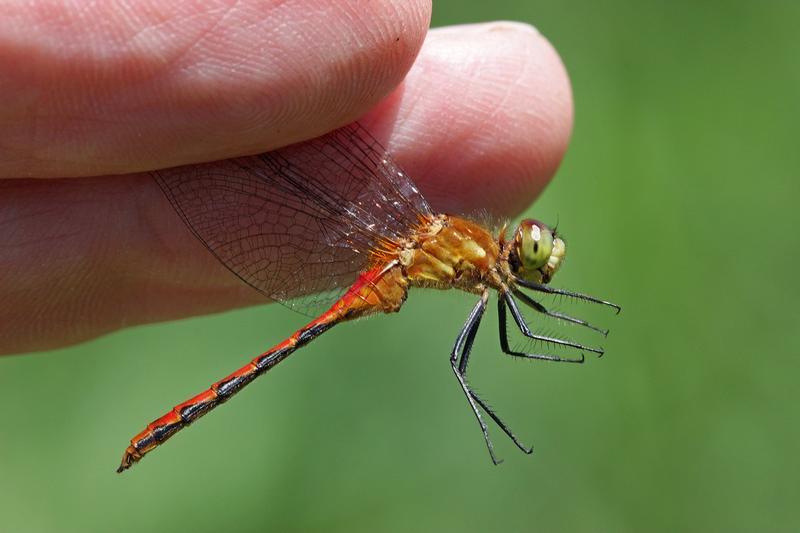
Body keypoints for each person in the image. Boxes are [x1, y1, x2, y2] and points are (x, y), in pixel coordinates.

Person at [0, 1, 574, 355]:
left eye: (536, 254)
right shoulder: (471, 254)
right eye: (534, 247)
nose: (538, 258)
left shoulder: (483, 263)